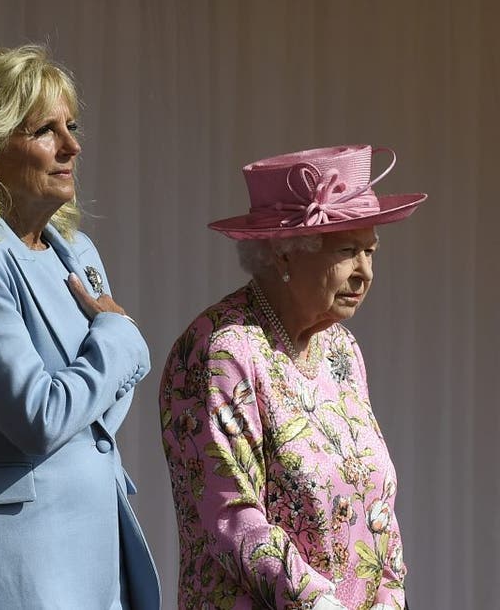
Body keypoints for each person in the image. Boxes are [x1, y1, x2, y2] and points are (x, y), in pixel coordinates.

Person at [0, 45, 160, 609]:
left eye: (71, 127)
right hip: (12, 560)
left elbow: (102, 418)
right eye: (45, 131)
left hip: (95, 551)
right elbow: (39, 415)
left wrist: (105, 364)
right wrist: (118, 338)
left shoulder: (76, 252)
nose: (72, 146)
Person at [159, 145, 424, 610]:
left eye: (370, 252)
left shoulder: (341, 348)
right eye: (347, 252)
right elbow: (230, 516)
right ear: (284, 255)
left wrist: (390, 597)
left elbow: (376, 503)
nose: (365, 273)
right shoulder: (221, 347)